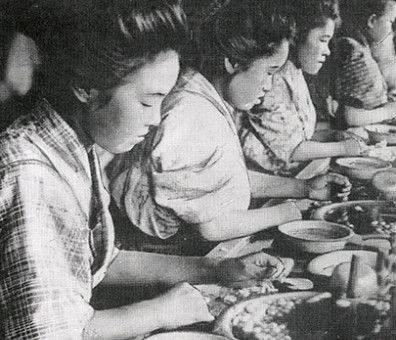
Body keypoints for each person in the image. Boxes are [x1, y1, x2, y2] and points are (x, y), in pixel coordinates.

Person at [0, 1, 295, 339]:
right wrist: (160, 311)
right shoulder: (32, 175)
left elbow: (99, 262)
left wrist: (213, 268)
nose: (155, 118)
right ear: (86, 88)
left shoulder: (71, 143)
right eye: (146, 101)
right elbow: (49, 333)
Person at [111, 0, 351, 244]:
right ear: (233, 63)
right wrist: (290, 212)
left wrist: (304, 189)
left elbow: (224, 179)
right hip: (158, 249)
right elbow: (212, 227)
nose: (268, 86)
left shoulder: (199, 88)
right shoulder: (192, 114)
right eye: (269, 71)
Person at [237, 0, 366, 176]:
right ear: (297, 38)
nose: (327, 51)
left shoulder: (295, 73)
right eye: (322, 40)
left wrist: (334, 135)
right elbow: (293, 151)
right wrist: (343, 147)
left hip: (299, 174)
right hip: (271, 185)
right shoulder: (274, 81)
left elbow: (300, 136)